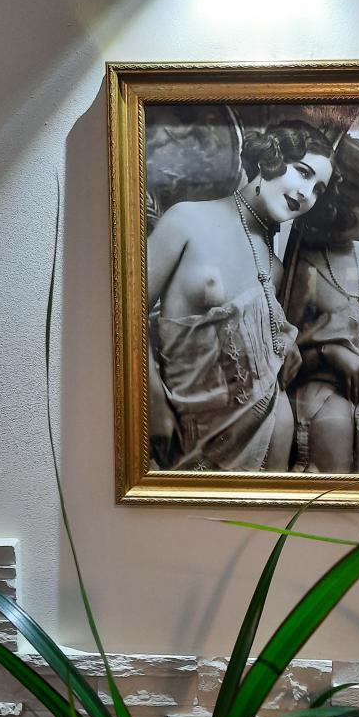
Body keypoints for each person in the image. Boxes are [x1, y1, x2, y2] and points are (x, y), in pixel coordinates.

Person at [147, 120, 334, 471]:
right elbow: (122, 318)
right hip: (192, 442)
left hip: (271, 452)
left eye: (318, 190)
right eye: (303, 172)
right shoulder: (187, 220)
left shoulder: (274, 269)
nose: (307, 193)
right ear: (269, 159)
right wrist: (154, 404)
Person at [282, 135, 359, 473]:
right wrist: (328, 352)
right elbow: (279, 361)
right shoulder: (305, 268)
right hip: (323, 418)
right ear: (338, 205)